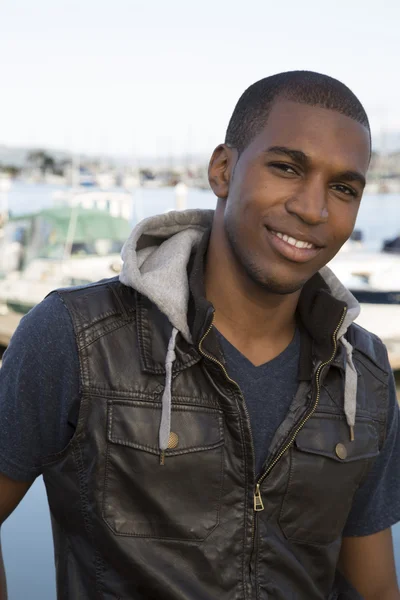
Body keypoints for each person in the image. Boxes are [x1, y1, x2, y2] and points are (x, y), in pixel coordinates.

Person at [1, 71, 399, 600]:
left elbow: (372, 586)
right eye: (286, 167)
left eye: (343, 187)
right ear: (223, 170)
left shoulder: (363, 372)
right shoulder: (76, 338)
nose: (313, 209)